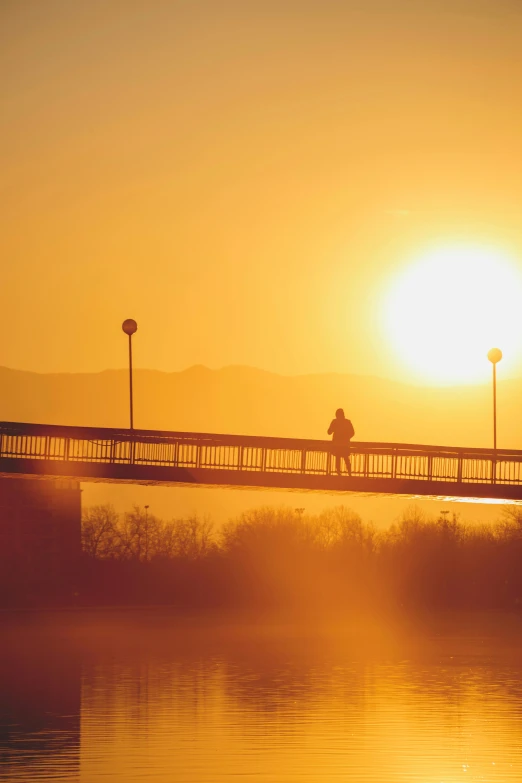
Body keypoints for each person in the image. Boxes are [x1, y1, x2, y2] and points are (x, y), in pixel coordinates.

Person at [327, 408, 354, 476]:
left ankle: (339, 472)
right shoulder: (347, 422)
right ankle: (349, 472)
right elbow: (352, 432)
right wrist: (347, 437)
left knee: (338, 457)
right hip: (345, 444)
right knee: (345, 458)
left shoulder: (335, 422)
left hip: (337, 444)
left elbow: (329, 432)